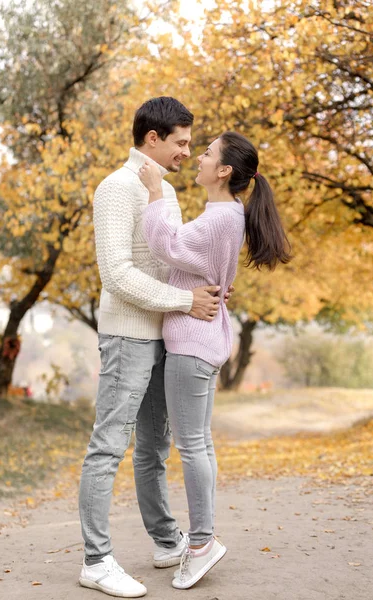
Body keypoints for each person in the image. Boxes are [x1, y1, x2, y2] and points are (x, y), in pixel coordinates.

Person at [78, 97, 234, 598]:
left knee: (153, 449)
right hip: (127, 336)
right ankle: (96, 560)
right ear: (152, 139)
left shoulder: (163, 190)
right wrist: (185, 301)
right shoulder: (116, 188)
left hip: (164, 336)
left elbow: (171, 256)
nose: (188, 152)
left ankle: (168, 541)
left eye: (193, 144)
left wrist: (200, 293)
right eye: (182, 142)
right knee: (108, 447)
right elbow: (116, 274)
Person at [139, 130, 291, 589]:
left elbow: (164, 246)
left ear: (224, 170)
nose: (198, 158)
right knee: (197, 444)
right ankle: (200, 540)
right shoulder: (224, 214)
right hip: (200, 338)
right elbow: (196, 265)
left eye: (206, 153)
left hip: (191, 341)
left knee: (191, 446)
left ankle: (202, 543)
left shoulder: (221, 217)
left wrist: (153, 193)